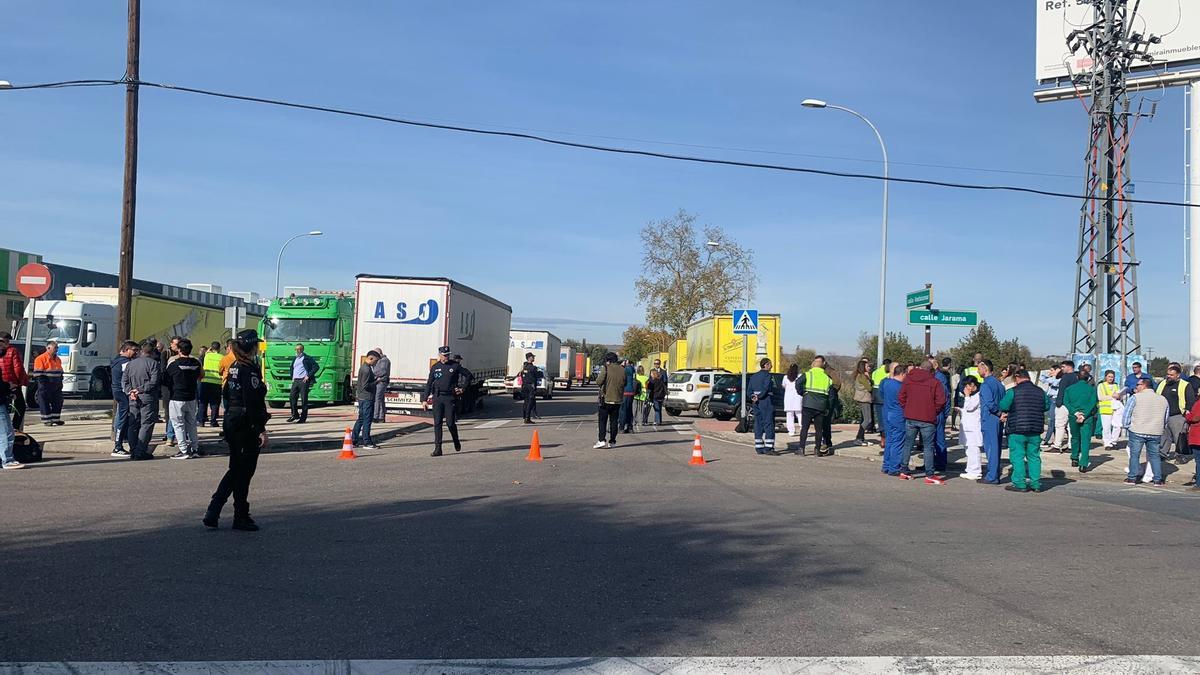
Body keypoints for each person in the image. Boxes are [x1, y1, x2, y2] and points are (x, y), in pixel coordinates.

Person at [203, 330, 270, 531]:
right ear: (251, 347)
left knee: (237, 468)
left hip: (233, 420)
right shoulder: (248, 369)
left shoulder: (233, 366)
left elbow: (226, 392)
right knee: (244, 470)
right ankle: (233, 513)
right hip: (244, 423)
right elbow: (252, 401)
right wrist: (260, 428)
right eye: (256, 345)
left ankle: (220, 511)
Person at [998, 369, 1052, 493]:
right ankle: (1036, 484)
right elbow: (1047, 406)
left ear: (1017, 378)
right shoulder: (1040, 392)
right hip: (1035, 429)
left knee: (1018, 456)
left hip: (1017, 429)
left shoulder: (1013, 391)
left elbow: (1003, 405)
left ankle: (1020, 483)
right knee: (1034, 457)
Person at [898, 360, 948, 484]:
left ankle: (904, 470)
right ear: (932, 370)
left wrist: (907, 408)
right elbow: (941, 401)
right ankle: (929, 474)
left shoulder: (908, 379)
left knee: (908, 444)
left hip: (911, 417)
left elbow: (901, 396)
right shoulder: (935, 382)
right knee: (928, 447)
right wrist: (933, 411)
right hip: (927, 418)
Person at [1122, 377, 1168, 487]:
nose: (1136, 387)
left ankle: (1132, 478)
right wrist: (1161, 427)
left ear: (1143, 386)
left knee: (1135, 455)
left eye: (1138, 385)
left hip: (1137, 430)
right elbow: (1166, 418)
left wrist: (1127, 426)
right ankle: (1157, 479)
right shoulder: (1163, 399)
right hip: (1155, 431)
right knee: (1155, 456)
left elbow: (1127, 414)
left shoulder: (1135, 397)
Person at [164, 338, 203, 460]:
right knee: (192, 424)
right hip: (191, 397)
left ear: (179, 350)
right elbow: (201, 376)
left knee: (178, 425)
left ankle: (183, 450)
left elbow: (166, 379)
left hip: (177, 397)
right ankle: (195, 449)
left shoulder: (174, 364)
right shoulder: (196, 363)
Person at [123, 342, 162, 460]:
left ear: (141, 351)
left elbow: (124, 381)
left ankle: (133, 450)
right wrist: (139, 390)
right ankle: (140, 451)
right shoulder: (154, 364)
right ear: (152, 352)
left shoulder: (130, 364)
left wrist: (131, 391)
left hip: (133, 398)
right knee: (146, 424)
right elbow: (154, 382)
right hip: (147, 397)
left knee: (133, 424)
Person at [424, 346, 464, 457]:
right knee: (437, 423)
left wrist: (462, 388)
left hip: (449, 397)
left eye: (448, 355)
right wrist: (424, 399)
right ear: (440, 355)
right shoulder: (435, 367)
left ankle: (456, 440)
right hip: (438, 397)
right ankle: (438, 449)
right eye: (444, 355)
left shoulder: (454, 366)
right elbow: (429, 383)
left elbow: (468, 375)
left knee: (450, 423)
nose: (446, 357)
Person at [1155, 365, 1193, 461]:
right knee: (1164, 436)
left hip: (1177, 415)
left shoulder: (1185, 385)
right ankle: (1163, 453)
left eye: (1171, 375)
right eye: (1168, 374)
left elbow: (1190, 400)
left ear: (1178, 375)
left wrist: (1187, 412)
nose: (1169, 376)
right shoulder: (1162, 383)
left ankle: (1180, 455)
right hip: (1163, 415)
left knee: (1179, 437)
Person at [1062, 373, 1099, 472]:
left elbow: (1066, 402)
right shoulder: (1092, 389)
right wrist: (1084, 414)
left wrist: (1075, 412)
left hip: (1073, 416)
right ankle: (1083, 463)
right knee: (1085, 440)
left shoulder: (1069, 389)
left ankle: (1074, 458)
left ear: (1077, 377)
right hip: (1087, 417)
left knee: (1075, 437)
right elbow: (1093, 402)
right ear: (1088, 378)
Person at [797, 356, 832, 456]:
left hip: (808, 404)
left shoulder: (808, 374)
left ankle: (801, 449)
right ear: (823, 364)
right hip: (821, 406)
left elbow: (798, 383)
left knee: (805, 428)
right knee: (819, 429)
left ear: (814, 363)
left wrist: (802, 393)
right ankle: (817, 449)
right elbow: (830, 393)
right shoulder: (827, 378)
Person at [978, 360, 1006, 485]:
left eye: (979, 368)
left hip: (990, 417)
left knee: (991, 448)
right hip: (998, 419)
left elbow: (989, 403)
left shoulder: (985, 385)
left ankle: (992, 476)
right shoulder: (999, 384)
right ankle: (994, 474)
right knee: (996, 447)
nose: (978, 371)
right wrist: (1002, 413)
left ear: (985, 368)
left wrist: (998, 413)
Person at [109, 341, 138, 457]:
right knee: (122, 418)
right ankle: (118, 447)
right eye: (134, 350)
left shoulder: (117, 360)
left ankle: (121, 441)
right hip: (122, 392)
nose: (136, 353)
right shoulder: (125, 363)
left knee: (122, 417)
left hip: (118, 391)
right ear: (127, 349)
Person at [880, 364, 908, 477]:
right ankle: (894, 467)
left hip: (888, 413)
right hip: (898, 415)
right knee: (898, 441)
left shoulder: (886, 383)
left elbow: (881, 395)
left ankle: (886, 465)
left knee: (890, 440)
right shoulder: (901, 387)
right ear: (902, 374)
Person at [747, 357, 776, 455]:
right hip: (765, 401)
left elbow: (749, 390)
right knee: (768, 423)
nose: (771, 366)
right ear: (766, 365)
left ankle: (759, 447)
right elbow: (766, 388)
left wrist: (753, 396)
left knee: (758, 423)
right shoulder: (768, 376)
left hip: (755, 402)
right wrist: (759, 396)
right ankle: (769, 448)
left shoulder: (754, 376)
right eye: (770, 364)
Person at [594, 352, 623, 448]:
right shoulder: (622, 369)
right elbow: (625, 382)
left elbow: (598, 381)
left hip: (606, 398)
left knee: (602, 420)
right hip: (618, 399)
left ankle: (601, 440)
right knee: (614, 421)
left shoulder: (606, 368)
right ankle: (613, 441)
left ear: (608, 361)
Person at [0, 333, 29, 430]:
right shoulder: (12, 351)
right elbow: (18, 368)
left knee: (4, 406)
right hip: (12, 383)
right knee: (20, 406)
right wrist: (19, 382)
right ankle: (14, 427)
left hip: (2, 383)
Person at [286, 344, 321, 424]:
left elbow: (316, 367)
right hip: (295, 381)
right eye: (296, 349)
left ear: (302, 350)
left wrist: (308, 376)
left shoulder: (307, 358)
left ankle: (303, 418)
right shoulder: (295, 359)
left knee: (304, 399)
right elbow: (292, 368)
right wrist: (292, 376)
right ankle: (294, 414)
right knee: (292, 397)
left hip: (303, 381)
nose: (297, 351)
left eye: (299, 349)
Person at [352, 351, 380, 450]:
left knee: (361, 419)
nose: (376, 363)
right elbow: (366, 386)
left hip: (362, 397)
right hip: (367, 398)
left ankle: (353, 440)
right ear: (371, 358)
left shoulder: (364, 367)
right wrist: (376, 381)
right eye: (375, 361)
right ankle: (367, 442)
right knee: (367, 420)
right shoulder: (366, 370)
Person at [32, 341, 64, 426]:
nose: (56, 349)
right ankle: (47, 420)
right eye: (55, 348)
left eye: (57, 348)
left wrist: (60, 382)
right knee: (44, 402)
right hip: (46, 383)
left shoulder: (58, 359)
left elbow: (60, 372)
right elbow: (38, 374)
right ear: (48, 348)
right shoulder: (40, 358)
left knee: (58, 401)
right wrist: (43, 384)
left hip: (56, 384)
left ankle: (55, 419)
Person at [957, 377, 982, 480]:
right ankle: (970, 469)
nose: (965, 389)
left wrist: (967, 396)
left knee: (973, 449)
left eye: (966, 386)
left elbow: (970, 407)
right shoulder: (972, 395)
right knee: (968, 450)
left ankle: (975, 471)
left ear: (972, 385)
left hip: (973, 427)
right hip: (967, 426)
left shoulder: (978, 395)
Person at [1050, 360, 1078, 453]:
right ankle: (1071, 446)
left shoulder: (1065, 377)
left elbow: (1062, 391)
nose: (1061, 369)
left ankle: (1057, 445)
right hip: (1073, 404)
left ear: (1069, 367)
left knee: (1060, 425)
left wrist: (1059, 403)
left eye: (1063, 367)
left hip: (1063, 404)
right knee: (1071, 426)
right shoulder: (1076, 377)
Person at [932, 357, 953, 473]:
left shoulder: (939, 378)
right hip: (933, 412)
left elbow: (945, 397)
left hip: (938, 413)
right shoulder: (935, 377)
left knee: (939, 439)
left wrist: (945, 413)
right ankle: (931, 462)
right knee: (931, 440)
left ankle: (940, 463)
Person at [159, 336, 181, 446]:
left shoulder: (182, 354)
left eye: (179, 344)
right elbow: (163, 370)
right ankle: (168, 433)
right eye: (175, 344)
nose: (177, 347)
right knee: (168, 411)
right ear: (171, 344)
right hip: (167, 386)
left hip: (178, 386)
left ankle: (177, 434)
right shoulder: (166, 353)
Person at [1097, 370, 1123, 448]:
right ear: (1105, 377)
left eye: (1112, 377)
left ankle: (1114, 441)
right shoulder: (1101, 385)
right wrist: (1112, 396)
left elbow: (1119, 396)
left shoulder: (1116, 385)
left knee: (1117, 426)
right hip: (1105, 409)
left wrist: (1119, 396)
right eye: (1109, 376)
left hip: (1116, 409)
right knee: (1106, 427)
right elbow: (1100, 397)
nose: (1111, 378)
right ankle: (1107, 443)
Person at [1038, 363, 1062, 447]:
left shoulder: (1060, 380)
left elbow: (1054, 383)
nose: (1051, 372)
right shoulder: (1052, 378)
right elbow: (1042, 378)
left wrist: (1055, 375)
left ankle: (1046, 439)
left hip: (1055, 399)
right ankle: (1055, 439)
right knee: (1052, 421)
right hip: (1050, 399)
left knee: (1051, 420)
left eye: (1052, 370)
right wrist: (1047, 373)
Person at [200, 341, 223, 427]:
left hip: (205, 381)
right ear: (219, 348)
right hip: (217, 382)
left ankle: (201, 421)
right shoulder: (221, 357)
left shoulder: (207, 356)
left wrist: (208, 350)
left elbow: (203, 356)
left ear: (211, 348)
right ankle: (213, 421)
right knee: (215, 403)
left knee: (203, 402)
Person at [852, 359, 873, 444]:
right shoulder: (863, 377)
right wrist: (869, 379)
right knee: (867, 420)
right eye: (867, 366)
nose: (869, 368)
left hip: (862, 398)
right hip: (864, 399)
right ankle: (859, 438)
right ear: (863, 367)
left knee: (865, 419)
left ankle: (861, 438)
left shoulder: (859, 376)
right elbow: (869, 388)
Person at [1183, 390, 1200, 488]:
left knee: (1198, 460)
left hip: (1197, 435)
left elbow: (1195, 418)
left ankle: (1198, 483)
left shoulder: (1198, 403)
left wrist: (1187, 414)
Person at [870, 358, 892, 436]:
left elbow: (873, 381)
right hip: (885, 394)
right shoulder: (889, 372)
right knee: (887, 414)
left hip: (876, 394)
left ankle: (882, 431)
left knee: (879, 415)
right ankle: (886, 431)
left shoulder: (875, 372)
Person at [783, 364, 804, 439]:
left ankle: (791, 431)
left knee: (789, 415)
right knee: (800, 414)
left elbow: (783, 386)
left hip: (788, 398)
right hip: (798, 397)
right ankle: (802, 429)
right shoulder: (800, 376)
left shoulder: (785, 377)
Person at [372, 347, 391, 423]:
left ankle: (376, 416)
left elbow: (381, 371)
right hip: (381, 381)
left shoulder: (384, 360)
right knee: (380, 399)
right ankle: (381, 417)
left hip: (381, 382)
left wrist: (373, 374)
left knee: (377, 399)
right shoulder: (383, 360)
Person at [520, 352, 539, 424]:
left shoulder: (524, 367)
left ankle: (525, 416)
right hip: (531, 386)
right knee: (530, 402)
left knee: (526, 402)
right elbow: (536, 377)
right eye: (532, 357)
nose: (534, 358)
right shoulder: (533, 368)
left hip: (524, 386)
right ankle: (527, 418)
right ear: (529, 358)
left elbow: (521, 375)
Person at [619, 359, 637, 433]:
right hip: (631, 391)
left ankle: (621, 427)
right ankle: (630, 427)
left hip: (625, 391)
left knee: (623, 410)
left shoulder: (625, 369)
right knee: (629, 410)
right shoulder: (632, 369)